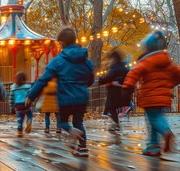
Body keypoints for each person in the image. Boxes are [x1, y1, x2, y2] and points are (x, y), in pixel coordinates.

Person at [26, 27, 94, 157]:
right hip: (81, 97)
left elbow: (44, 79)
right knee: (79, 122)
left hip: (65, 97)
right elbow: (91, 78)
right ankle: (83, 148)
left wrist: (31, 95)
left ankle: (71, 131)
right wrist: (82, 86)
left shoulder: (58, 60)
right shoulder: (85, 60)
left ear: (61, 44)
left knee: (62, 122)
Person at [122, 30, 180, 156]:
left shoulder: (146, 61)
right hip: (164, 96)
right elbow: (179, 74)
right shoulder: (167, 62)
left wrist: (127, 87)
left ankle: (166, 132)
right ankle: (153, 146)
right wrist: (169, 84)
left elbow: (133, 73)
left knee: (154, 119)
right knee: (155, 118)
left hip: (149, 96)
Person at [98, 48, 130, 131]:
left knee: (110, 107)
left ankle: (116, 124)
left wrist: (101, 80)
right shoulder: (123, 66)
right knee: (112, 108)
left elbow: (109, 76)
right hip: (121, 91)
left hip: (114, 91)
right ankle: (115, 123)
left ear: (114, 58)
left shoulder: (114, 66)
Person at [9, 72, 33, 137]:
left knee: (20, 118)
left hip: (18, 105)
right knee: (29, 115)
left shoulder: (13, 88)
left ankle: (19, 132)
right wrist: (31, 102)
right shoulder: (28, 86)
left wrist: (11, 106)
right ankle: (29, 121)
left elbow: (11, 98)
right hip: (26, 103)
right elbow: (31, 95)